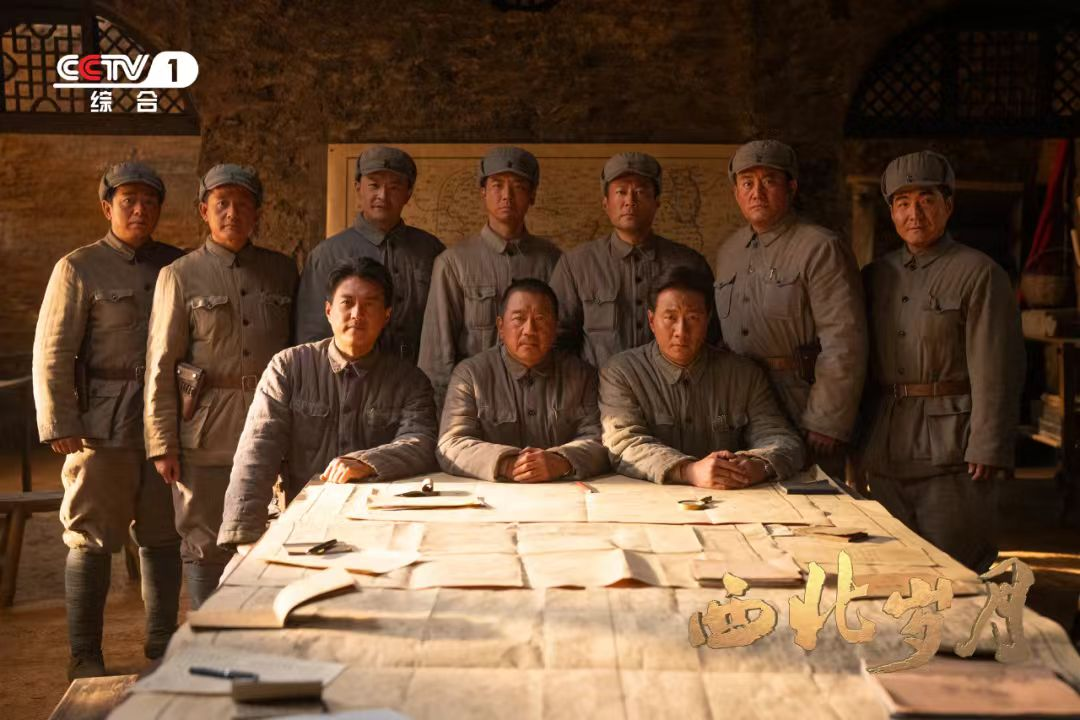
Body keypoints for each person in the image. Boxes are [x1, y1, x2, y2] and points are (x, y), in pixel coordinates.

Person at [33, 162, 184, 678]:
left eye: (149, 201)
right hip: (101, 425)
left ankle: (162, 641)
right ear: (107, 207)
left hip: (165, 423)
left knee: (163, 533)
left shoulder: (176, 265)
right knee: (90, 535)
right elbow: (53, 351)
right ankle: (85, 653)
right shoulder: (79, 267)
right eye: (128, 201)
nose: (140, 209)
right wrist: (60, 420)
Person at [860, 150, 1024, 572]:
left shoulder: (979, 273)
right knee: (893, 574)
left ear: (948, 206)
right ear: (891, 213)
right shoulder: (874, 276)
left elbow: (998, 366)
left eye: (926, 200)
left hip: (954, 450)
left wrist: (989, 444)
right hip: (885, 447)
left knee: (955, 574)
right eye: (902, 202)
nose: (914, 213)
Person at [143, 164, 297, 607]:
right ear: (204, 211)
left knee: (273, 537)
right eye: (222, 204)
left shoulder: (282, 271)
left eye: (243, 204)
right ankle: (207, 632)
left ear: (258, 213)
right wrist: (162, 443)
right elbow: (161, 364)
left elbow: (299, 354)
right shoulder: (180, 275)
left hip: (271, 424)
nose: (232, 213)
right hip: (205, 430)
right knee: (204, 542)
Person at [219, 258, 438, 548]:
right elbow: (257, 450)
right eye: (347, 303)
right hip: (299, 520)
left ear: (387, 315)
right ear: (328, 311)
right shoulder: (288, 367)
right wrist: (243, 534)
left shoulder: (409, 380)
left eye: (370, 304)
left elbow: (422, 442)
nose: (357, 314)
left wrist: (366, 462)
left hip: (379, 525)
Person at [714, 140, 866, 479]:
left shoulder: (820, 247)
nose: (757, 192)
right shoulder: (728, 252)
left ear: (791, 187)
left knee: (811, 501)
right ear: (736, 192)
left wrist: (827, 419)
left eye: (769, 181)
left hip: (801, 405)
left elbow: (844, 338)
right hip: (741, 405)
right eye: (747, 183)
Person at [600, 267, 804, 487]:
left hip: (732, 496)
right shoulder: (622, 372)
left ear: (708, 320)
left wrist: (759, 465)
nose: (681, 331)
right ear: (651, 320)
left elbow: (781, 437)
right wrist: (689, 471)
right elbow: (625, 443)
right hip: (652, 499)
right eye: (670, 317)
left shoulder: (744, 374)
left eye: (693, 318)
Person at [418, 146, 561, 409]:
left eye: (518, 186)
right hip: (476, 405)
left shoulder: (553, 261)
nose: (507, 195)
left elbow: (562, 343)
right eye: (497, 185)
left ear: (532, 195)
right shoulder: (453, 263)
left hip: (541, 404)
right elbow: (437, 357)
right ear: (482, 192)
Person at [549, 151, 717, 370]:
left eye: (640, 191)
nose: (630, 201)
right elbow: (557, 343)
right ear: (605, 203)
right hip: (599, 389)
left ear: (657, 201)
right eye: (621, 192)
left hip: (673, 389)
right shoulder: (576, 265)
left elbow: (710, 339)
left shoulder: (690, 263)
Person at [438, 278, 608, 482]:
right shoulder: (470, 375)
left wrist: (560, 461)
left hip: (565, 492)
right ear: (501, 327)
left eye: (540, 319)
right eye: (519, 319)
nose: (529, 330)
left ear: (555, 328)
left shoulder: (582, 376)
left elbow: (600, 439)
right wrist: (507, 464)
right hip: (493, 494)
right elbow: (451, 444)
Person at [294, 144, 443, 362]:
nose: (382, 195)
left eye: (394, 187)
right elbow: (311, 338)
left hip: (418, 376)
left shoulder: (431, 250)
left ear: (408, 194)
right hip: (350, 377)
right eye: (374, 185)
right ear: (358, 188)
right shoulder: (326, 255)